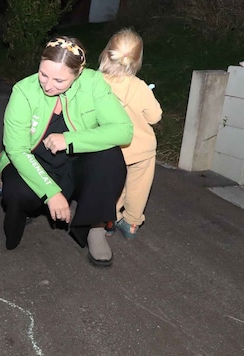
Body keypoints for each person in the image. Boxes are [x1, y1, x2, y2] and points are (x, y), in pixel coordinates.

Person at [0, 36, 133, 267]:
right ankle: (24, 213)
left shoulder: (93, 83)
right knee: (17, 192)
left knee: (110, 157)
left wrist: (70, 140)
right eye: (43, 74)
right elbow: (17, 150)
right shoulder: (23, 91)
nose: (48, 85)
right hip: (33, 162)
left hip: (75, 164)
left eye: (59, 80)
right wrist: (51, 193)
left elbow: (123, 131)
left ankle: (95, 227)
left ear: (78, 73)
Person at [99, 28, 162, 239]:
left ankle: (110, 218)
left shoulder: (95, 83)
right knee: (138, 186)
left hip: (110, 148)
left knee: (111, 184)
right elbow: (155, 117)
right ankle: (132, 224)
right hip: (141, 149)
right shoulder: (140, 87)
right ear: (137, 59)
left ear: (108, 52)